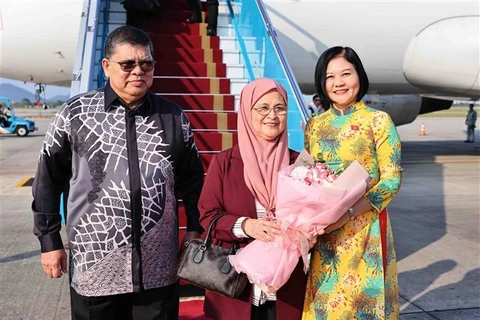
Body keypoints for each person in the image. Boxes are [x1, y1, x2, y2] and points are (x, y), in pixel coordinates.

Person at [31, 25, 204, 320]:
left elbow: (193, 180)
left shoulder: (174, 117)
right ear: (107, 66)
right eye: (128, 64)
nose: (138, 71)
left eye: (146, 64)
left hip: (157, 269)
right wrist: (50, 241)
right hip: (94, 267)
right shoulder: (75, 114)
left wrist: (195, 227)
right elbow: (48, 180)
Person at [197, 78, 315, 320]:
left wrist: (310, 235)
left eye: (280, 108)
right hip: (236, 286)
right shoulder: (225, 163)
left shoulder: (301, 164)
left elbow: (315, 216)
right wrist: (246, 225)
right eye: (262, 108)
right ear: (247, 113)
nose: (272, 115)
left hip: (287, 288)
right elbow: (207, 216)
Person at [303, 46, 402, 319]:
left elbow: (392, 179)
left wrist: (347, 212)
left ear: (359, 75)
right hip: (326, 234)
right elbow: (307, 176)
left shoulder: (378, 121)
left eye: (346, 73)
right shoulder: (314, 126)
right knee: (326, 303)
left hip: (365, 229)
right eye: (330, 76)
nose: (339, 83)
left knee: (364, 304)